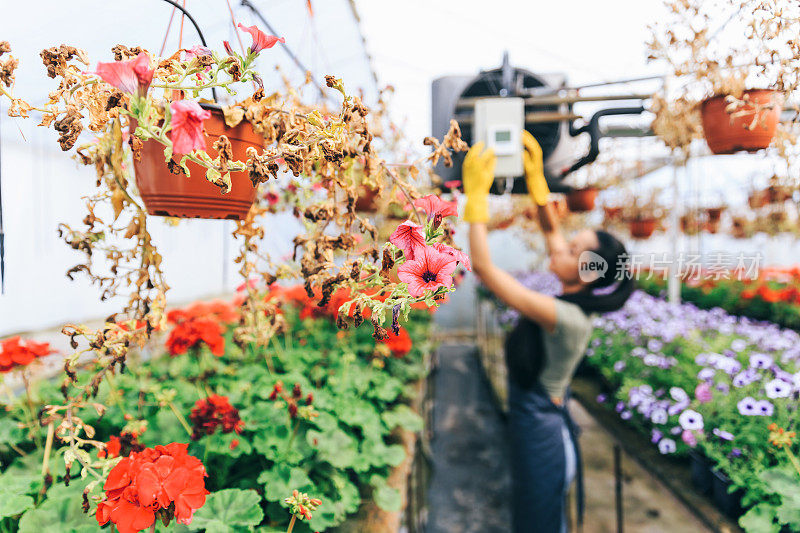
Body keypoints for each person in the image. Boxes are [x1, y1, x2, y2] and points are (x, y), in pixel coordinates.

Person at [462, 131, 634, 533]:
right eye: (570, 243)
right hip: (540, 418)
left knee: (536, 522)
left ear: (588, 271)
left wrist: (475, 199)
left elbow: (485, 270)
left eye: (573, 252)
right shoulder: (574, 295)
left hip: (541, 430)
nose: (558, 250)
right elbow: (552, 233)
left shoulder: (565, 316)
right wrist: (537, 185)